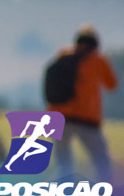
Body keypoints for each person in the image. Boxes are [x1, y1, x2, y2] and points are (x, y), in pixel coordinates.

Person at [48, 25, 118, 182]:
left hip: (59, 116)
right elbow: (111, 85)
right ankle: (103, 194)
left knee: (64, 162)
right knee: (101, 161)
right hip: (87, 118)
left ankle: (62, 193)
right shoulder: (98, 60)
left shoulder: (63, 54)